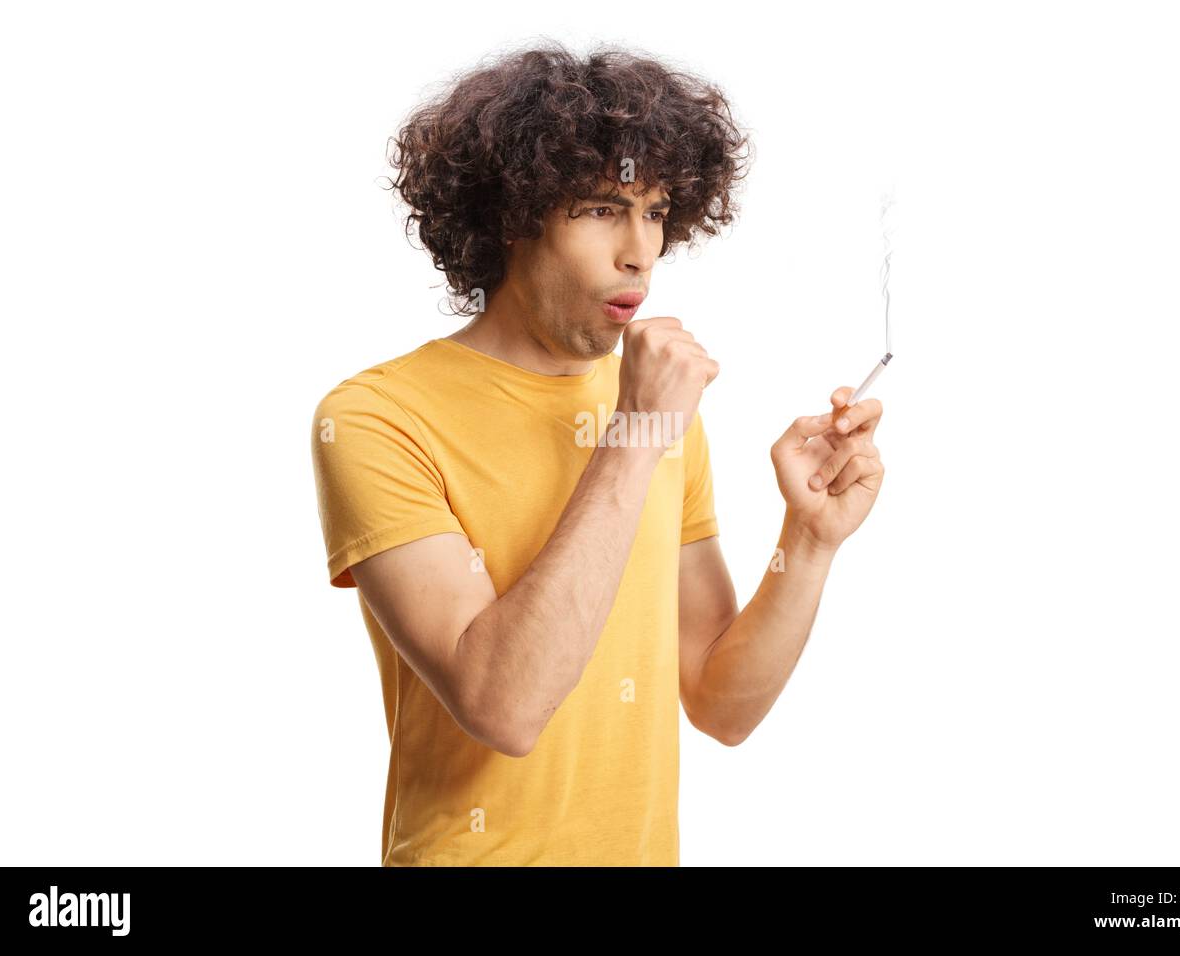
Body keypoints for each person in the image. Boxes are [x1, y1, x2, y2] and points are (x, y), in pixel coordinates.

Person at [310, 42, 885, 866]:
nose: (640, 251)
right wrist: (636, 435)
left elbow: (721, 704)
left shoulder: (659, 413)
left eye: (654, 212)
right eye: (600, 208)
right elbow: (503, 707)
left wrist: (811, 537)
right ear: (512, 214)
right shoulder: (376, 418)